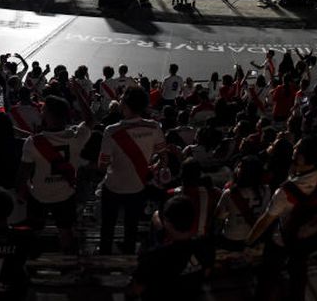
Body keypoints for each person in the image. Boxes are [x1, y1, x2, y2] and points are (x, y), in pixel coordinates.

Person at [247, 138, 317, 301]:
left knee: (269, 275)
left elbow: (265, 220)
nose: (294, 148)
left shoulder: (285, 191)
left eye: (297, 148)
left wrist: (249, 241)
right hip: (308, 236)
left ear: (301, 157)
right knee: (299, 273)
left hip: (283, 240)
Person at [98, 87, 166, 255]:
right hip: (138, 186)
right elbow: (163, 158)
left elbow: (102, 166)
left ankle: (105, 253)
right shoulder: (154, 127)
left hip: (113, 186)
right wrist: (152, 167)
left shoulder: (111, 131)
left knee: (108, 224)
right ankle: (128, 253)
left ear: (124, 105)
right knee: (131, 224)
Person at [19, 96, 89, 252]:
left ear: (48, 114)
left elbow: (23, 174)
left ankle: (32, 260)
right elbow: (90, 120)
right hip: (65, 193)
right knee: (65, 231)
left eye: (43, 109)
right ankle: (68, 265)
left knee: (34, 230)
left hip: (39, 194)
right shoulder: (75, 138)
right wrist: (78, 93)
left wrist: (23, 192)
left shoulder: (32, 142)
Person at [127, 195, 212, 301]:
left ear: (167, 223)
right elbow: (206, 272)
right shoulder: (205, 246)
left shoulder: (153, 257)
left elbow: (136, 289)